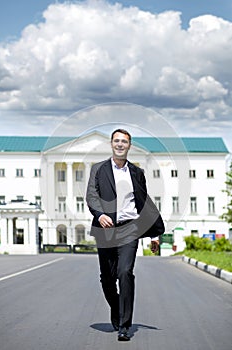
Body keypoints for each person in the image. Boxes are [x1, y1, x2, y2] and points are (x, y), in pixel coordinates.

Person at [86, 129, 165, 341]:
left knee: (125, 272)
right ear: (111, 144)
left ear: (129, 146)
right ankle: (117, 307)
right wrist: (100, 214)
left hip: (130, 228)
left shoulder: (137, 173)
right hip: (105, 230)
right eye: (117, 141)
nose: (120, 144)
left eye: (125, 141)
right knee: (107, 278)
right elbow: (92, 196)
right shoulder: (99, 169)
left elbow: (144, 203)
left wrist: (153, 235)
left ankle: (124, 325)